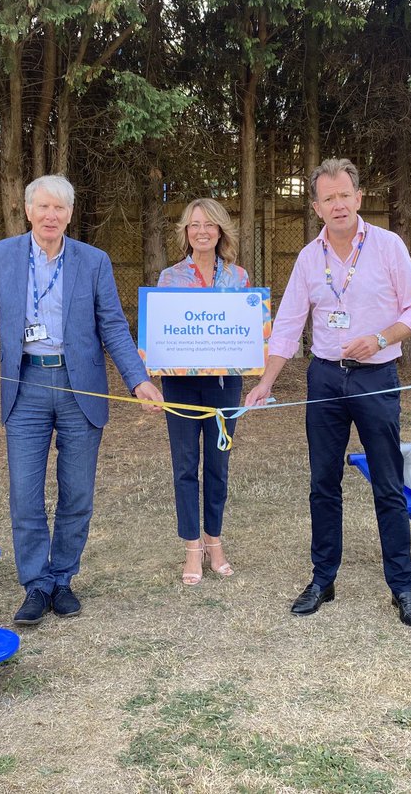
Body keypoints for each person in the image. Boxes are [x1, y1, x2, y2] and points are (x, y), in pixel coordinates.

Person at [0, 175, 162, 626]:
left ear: (70, 214)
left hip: (78, 388)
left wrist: (137, 380)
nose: (51, 216)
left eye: (60, 209)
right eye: (43, 207)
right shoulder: (1, 255)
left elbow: (113, 325)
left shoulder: (94, 261)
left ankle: (63, 579)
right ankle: (35, 584)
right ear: (28, 211)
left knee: (77, 493)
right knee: (25, 495)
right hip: (25, 387)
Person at [243, 158, 411, 627]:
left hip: (375, 377)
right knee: (322, 484)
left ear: (359, 198)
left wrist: (382, 338)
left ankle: (402, 588)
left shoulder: (388, 247)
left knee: (388, 485)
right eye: (328, 198)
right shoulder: (310, 258)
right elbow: (287, 325)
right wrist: (265, 383)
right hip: (324, 379)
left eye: (345, 195)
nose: (338, 204)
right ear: (317, 208)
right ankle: (322, 579)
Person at [156, 199, 250, 586]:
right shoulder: (169, 278)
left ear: (221, 231)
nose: (202, 231)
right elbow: (159, 332)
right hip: (179, 382)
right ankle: (192, 546)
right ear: (185, 231)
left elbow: (249, 332)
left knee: (218, 465)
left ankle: (215, 541)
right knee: (184, 466)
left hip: (225, 384)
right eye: (194, 225)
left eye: (209, 225)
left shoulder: (239, 279)